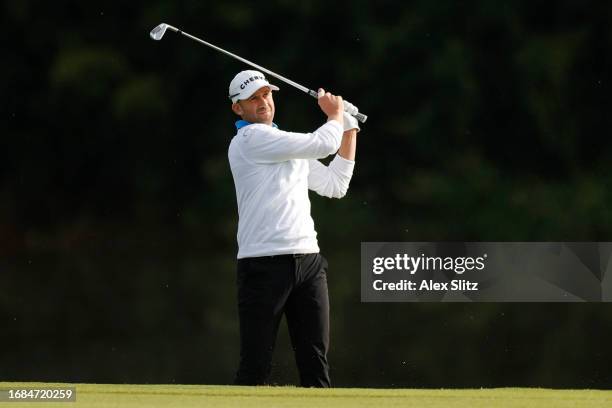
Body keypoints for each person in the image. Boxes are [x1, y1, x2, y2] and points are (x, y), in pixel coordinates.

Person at [227, 69, 360, 387]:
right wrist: (336, 115)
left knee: (316, 369)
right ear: (238, 108)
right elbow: (322, 144)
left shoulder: (285, 144)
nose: (263, 102)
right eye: (253, 98)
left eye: (266, 94)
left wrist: (349, 128)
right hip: (263, 264)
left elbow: (335, 184)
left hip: (309, 263)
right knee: (254, 370)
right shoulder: (250, 140)